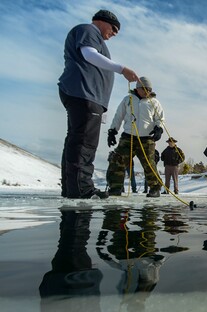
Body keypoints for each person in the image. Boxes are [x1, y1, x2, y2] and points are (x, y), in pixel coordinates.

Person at [58, 9, 139, 199]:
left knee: (76, 139)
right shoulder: (88, 30)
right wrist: (122, 69)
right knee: (85, 143)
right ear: (102, 21)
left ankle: (71, 188)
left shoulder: (95, 36)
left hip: (88, 97)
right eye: (113, 29)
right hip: (84, 94)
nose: (113, 34)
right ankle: (82, 189)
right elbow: (89, 55)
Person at [106, 77, 164, 197]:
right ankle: (115, 187)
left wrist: (159, 128)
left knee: (149, 163)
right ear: (137, 88)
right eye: (143, 89)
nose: (146, 91)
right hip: (128, 137)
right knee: (118, 160)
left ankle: (155, 188)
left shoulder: (154, 102)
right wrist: (113, 130)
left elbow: (160, 118)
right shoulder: (128, 99)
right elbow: (118, 116)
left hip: (146, 138)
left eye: (148, 89)